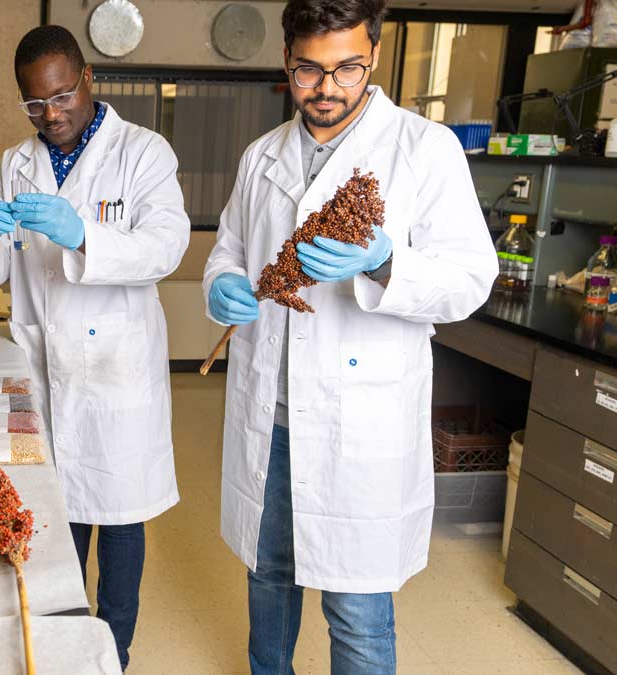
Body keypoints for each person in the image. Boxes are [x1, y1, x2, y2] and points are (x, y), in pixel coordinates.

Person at [202, 1, 498, 672]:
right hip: (269, 416)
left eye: (348, 68)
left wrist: (386, 260)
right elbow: (228, 251)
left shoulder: (424, 149)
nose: (327, 87)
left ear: (375, 55)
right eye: (309, 69)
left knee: (357, 611)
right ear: (287, 61)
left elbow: (471, 277)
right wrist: (222, 285)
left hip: (357, 425)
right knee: (268, 578)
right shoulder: (261, 157)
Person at [0, 24, 190, 669]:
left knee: (118, 518)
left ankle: (113, 653)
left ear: (87, 78)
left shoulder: (144, 153)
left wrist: (81, 232)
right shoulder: (14, 163)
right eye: (35, 103)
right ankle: (61, 647)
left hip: (117, 368)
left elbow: (164, 250)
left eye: (61, 97)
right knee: (54, 518)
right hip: (42, 365)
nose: (51, 114)